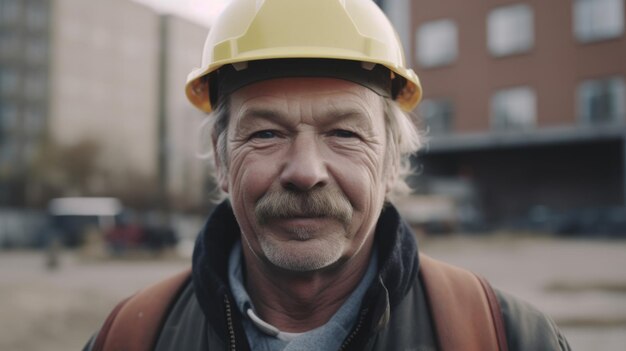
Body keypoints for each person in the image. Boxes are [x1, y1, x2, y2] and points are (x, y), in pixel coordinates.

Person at [85, 0, 571, 350]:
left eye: (344, 133)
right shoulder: (131, 336)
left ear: (390, 160)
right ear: (220, 160)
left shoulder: (502, 337)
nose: (305, 172)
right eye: (266, 134)